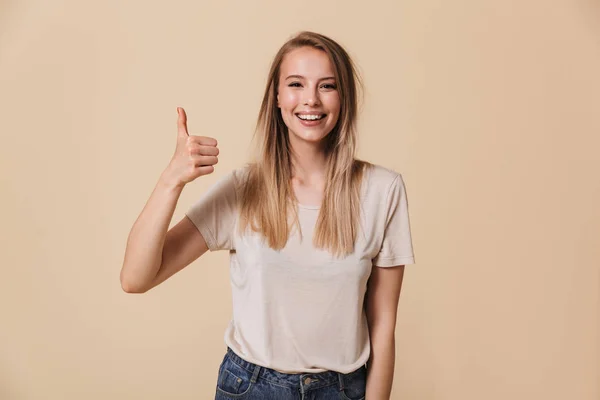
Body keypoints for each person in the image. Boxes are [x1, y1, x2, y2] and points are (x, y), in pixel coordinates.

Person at [120, 31, 415, 400]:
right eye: (296, 84)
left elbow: (384, 325)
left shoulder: (382, 190)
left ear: (344, 99)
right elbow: (135, 277)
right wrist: (171, 181)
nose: (311, 99)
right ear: (276, 97)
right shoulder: (245, 189)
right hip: (251, 388)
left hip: (342, 390)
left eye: (327, 86)